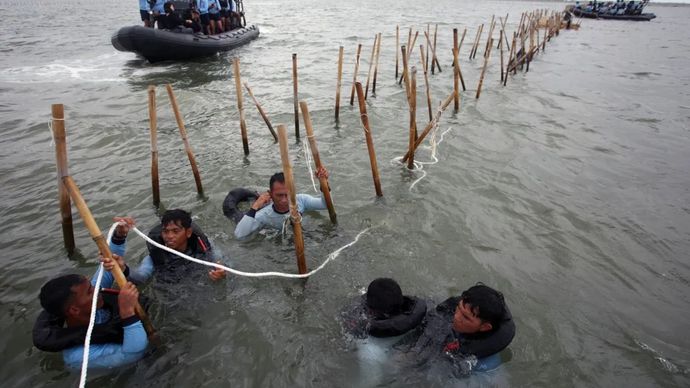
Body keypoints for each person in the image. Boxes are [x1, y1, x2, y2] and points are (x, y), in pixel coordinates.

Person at [33, 271, 148, 369]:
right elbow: (134, 355)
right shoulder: (78, 356)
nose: (96, 289)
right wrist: (127, 311)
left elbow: (107, 268)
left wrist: (116, 262)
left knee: (145, 271)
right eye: (90, 291)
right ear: (74, 310)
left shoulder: (86, 301)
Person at [105, 209, 227, 284]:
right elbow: (141, 277)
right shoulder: (154, 256)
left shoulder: (203, 245)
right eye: (165, 231)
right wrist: (123, 268)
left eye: (175, 231)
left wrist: (221, 273)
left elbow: (224, 264)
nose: (169, 236)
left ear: (188, 232)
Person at [234, 167, 330, 239]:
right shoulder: (263, 215)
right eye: (279, 195)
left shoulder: (301, 200)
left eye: (287, 195)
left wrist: (323, 183)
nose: (284, 200)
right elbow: (239, 235)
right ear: (270, 194)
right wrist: (255, 206)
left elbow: (325, 204)